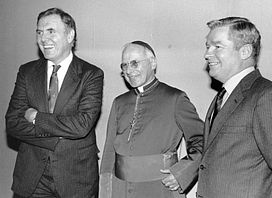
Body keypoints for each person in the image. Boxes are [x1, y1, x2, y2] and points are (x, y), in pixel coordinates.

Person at [173, 16, 272, 198]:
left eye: (217, 46)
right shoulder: (223, 95)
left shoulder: (266, 97)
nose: (207, 54)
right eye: (207, 46)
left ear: (245, 51)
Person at [5, 7, 104, 198]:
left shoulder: (91, 74)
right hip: (32, 178)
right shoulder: (26, 72)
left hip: (76, 179)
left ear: (70, 35)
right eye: (40, 32)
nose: (43, 39)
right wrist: (57, 137)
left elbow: (81, 126)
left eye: (51, 31)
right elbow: (12, 123)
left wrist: (35, 117)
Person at [100, 40, 204, 198]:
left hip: (159, 188)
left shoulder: (175, 98)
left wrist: (182, 173)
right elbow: (109, 154)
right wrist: (106, 190)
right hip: (121, 188)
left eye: (134, 63)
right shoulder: (119, 102)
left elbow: (202, 139)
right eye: (125, 65)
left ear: (153, 63)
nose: (129, 70)